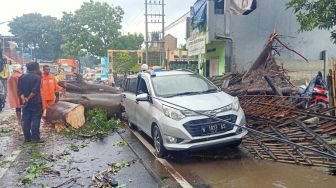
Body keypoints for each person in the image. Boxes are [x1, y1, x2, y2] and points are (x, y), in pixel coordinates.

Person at [18, 62, 43, 143]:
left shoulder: (22, 77)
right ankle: (35, 138)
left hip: (25, 103)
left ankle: (27, 138)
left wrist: (24, 99)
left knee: (26, 120)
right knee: (36, 119)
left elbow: (20, 90)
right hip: (36, 102)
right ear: (36, 68)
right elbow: (34, 90)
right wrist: (28, 98)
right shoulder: (37, 78)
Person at [7, 64, 23, 133]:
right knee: (24, 109)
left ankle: (19, 123)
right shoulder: (19, 76)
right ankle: (22, 125)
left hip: (15, 95)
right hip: (21, 95)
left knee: (18, 108)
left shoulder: (11, 76)